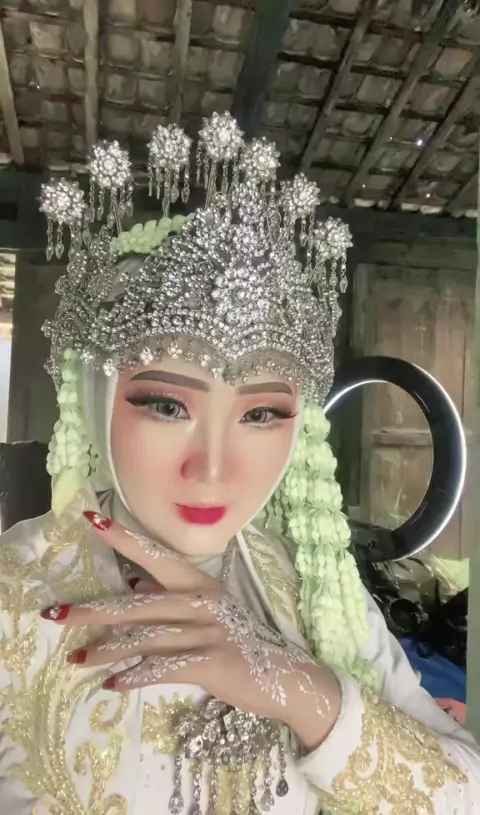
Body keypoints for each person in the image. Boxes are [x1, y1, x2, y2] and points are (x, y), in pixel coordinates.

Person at [0, 114, 478, 815]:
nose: (215, 471)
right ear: (98, 402)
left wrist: (304, 692)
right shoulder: (15, 588)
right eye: (167, 406)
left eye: (261, 415)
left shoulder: (311, 588)